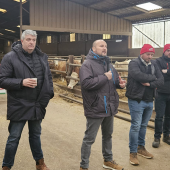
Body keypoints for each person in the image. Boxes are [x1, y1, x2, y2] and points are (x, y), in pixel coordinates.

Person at [0, 30, 54, 170]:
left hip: (37, 104)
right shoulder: (10, 57)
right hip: (19, 104)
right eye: (28, 39)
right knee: (14, 137)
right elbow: (2, 80)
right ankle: (6, 166)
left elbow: (48, 78)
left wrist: (49, 94)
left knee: (35, 135)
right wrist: (21, 82)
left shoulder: (42, 57)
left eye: (33, 40)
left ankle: (40, 163)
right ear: (22, 41)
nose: (31, 42)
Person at [79, 39, 126, 170]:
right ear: (93, 49)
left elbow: (115, 81)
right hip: (96, 106)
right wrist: (105, 77)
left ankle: (108, 160)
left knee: (108, 135)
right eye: (101, 46)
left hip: (109, 106)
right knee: (89, 138)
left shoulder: (109, 64)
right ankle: (84, 166)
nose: (104, 48)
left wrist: (120, 84)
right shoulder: (87, 65)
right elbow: (86, 83)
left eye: (105, 46)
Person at [125, 44, 164, 166]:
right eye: (148, 54)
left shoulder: (154, 64)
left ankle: (141, 148)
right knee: (136, 125)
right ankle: (133, 152)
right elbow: (138, 76)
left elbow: (161, 80)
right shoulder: (133, 63)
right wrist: (154, 78)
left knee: (143, 125)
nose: (150, 57)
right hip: (136, 99)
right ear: (142, 53)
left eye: (152, 55)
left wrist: (150, 83)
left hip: (149, 99)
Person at [152, 44, 170, 148]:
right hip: (160, 93)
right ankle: (157, 137)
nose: (169, 52)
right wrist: (164, 74)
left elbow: (164, 74)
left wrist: (167, 71)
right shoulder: (157, 61)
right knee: (159, 116)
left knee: (168, 116)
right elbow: (159, 75)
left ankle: (166, 136)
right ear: (164, 51)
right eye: (168, 50)